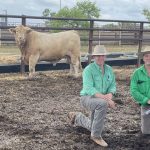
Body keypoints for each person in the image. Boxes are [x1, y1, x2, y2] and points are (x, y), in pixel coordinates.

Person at [68, 45, 116, 147]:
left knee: (95, 125)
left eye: (102, 55)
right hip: (87, 98)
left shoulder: (109, 69)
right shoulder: (88, 70)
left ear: (105, 57)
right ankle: (96, 136)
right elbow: (89, 88)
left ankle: (77, 117)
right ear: (93, 57)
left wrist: (110, 94)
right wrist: (106, 99)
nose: (100, 58)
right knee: (102, 104)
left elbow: (112, 85)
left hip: (100, 99)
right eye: (97, 56)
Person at [130, 46, 150, 134]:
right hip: (146, 105)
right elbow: (134, 90)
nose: (149, 58)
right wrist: (147, 100)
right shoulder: (137, 73)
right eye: (146, 56)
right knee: (146, 132)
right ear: (143, 58)